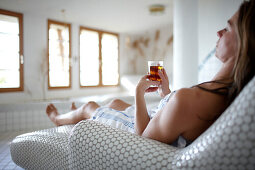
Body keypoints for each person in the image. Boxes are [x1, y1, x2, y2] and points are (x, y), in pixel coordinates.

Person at [46, 0, 255, 147]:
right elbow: (179, 118)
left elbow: (142, 143)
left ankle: (60, 118)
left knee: (89, 107)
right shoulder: (222, 95)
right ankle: (70, 115)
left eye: (228, 28)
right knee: (116, 103)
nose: (219, 32)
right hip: (154, 118)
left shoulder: (192, 100)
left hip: (134, 131)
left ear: (244, 42)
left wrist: (139, 92)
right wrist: (167, 93)